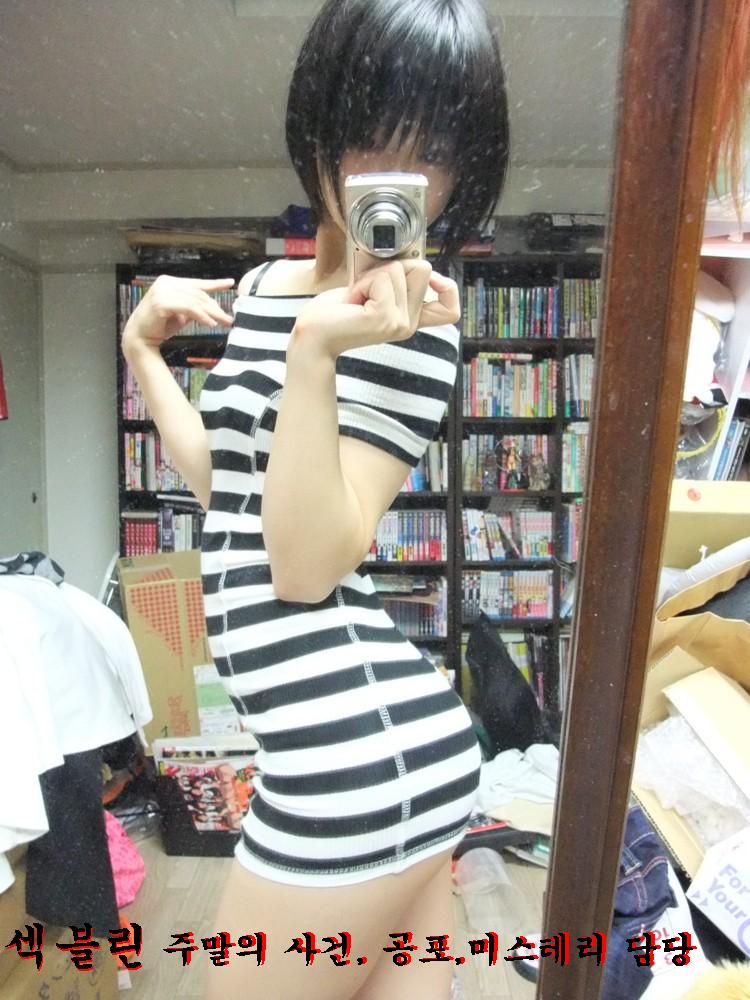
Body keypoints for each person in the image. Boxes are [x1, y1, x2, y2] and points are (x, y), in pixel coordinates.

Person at [121, 1, 509, 996]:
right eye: (374, 134)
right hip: (371, 751)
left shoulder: (418, 325)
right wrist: (143, 354)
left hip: (352, 764)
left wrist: (317, 353)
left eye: (434, 151)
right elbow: (228, 488)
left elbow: (305, 565)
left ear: (465, 170)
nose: (399, 174)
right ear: (323, 129)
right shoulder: (263, 288)